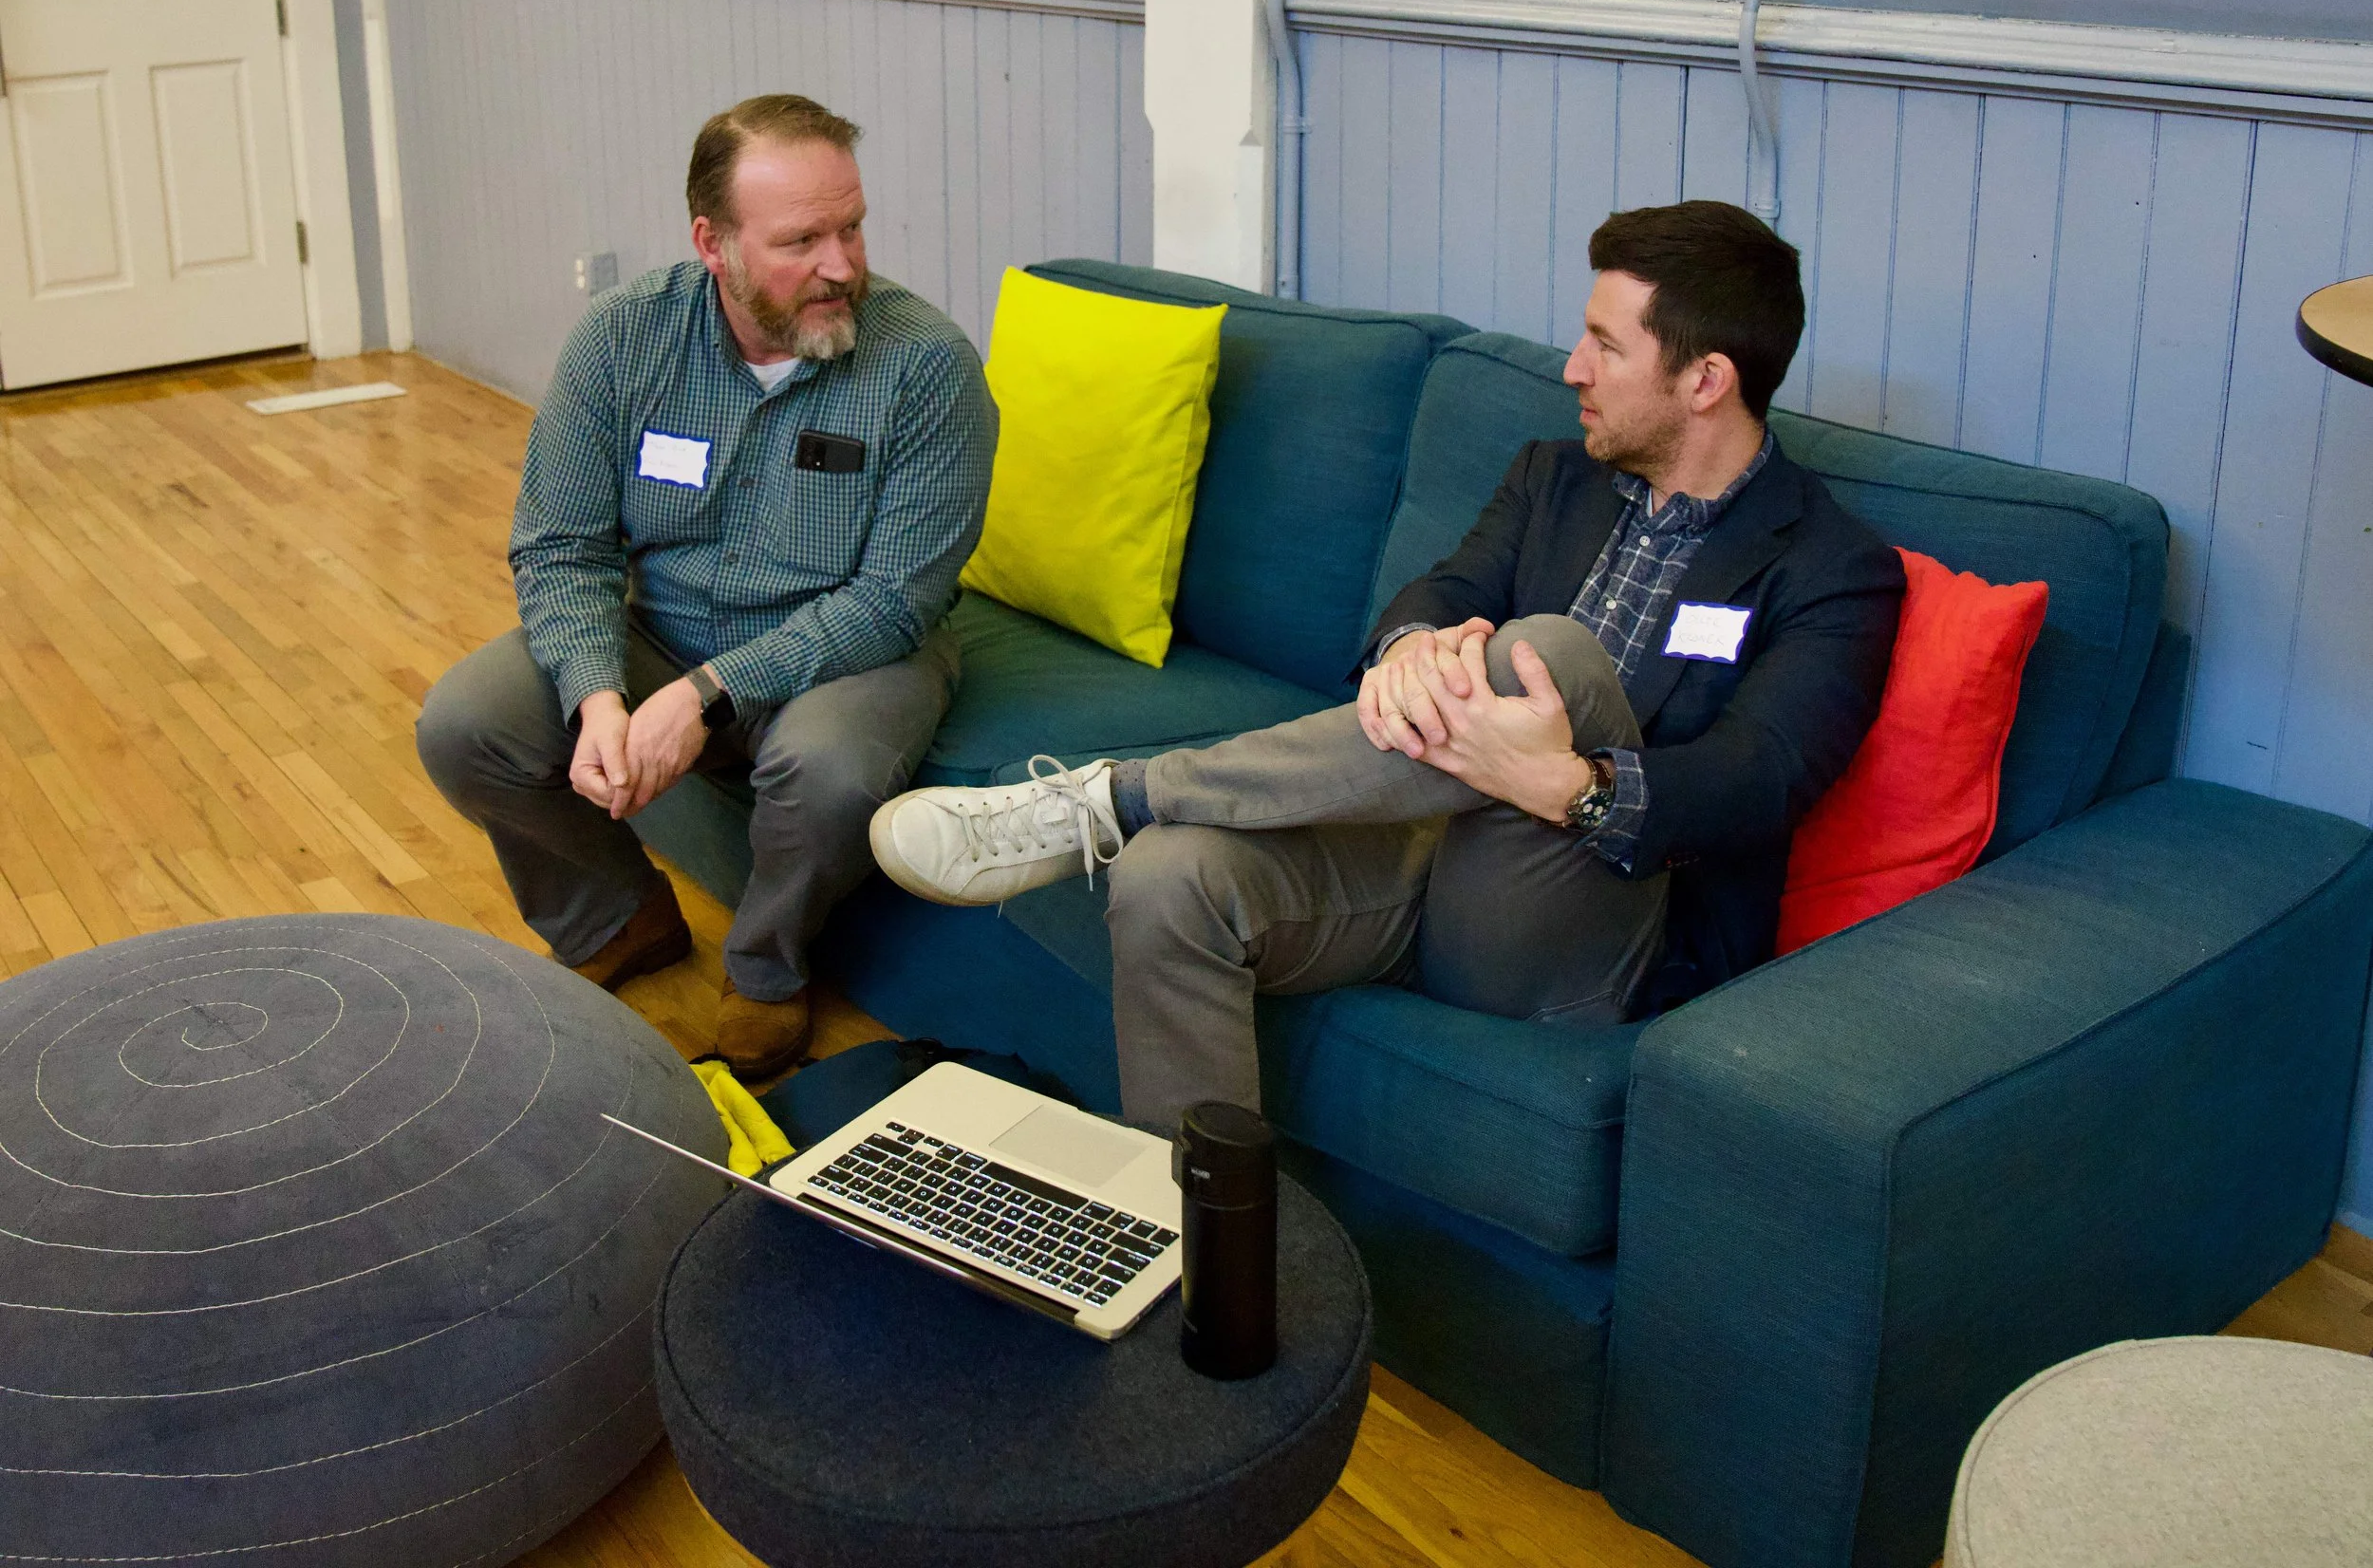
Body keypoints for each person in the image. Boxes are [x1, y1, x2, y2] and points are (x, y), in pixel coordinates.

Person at [869, 200, 1904, 1133]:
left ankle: (1119, 795)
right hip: (1422, 852)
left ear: (1705, 379)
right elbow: (1442, 591)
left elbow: (1762, 774)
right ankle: (1207, 1252)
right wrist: (1413, 650)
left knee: (1543, 650)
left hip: (1592, 918)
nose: (1571, 369)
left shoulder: (1829, 566)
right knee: (1167, 879)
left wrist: (1571, 786)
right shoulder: (1556, 476)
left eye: (1603, 345)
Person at [418, 94, 996, 1077]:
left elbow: (894, 599)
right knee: (464, 721)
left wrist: (706, 693)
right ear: (712, 242)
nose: (842, 265)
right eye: (801, 239)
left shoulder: (926, 366)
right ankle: (617, 915)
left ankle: (768, 968)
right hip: (664, 630)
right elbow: (562, 545)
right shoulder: (621, 339)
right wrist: (598, 693)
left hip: (852, 650)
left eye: (851, 226)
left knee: (830, 769)